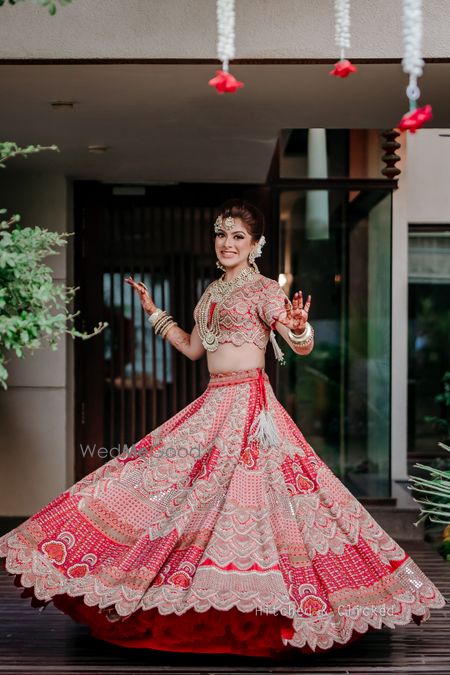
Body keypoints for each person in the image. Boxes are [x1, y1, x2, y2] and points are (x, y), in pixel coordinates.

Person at [0, 199, 445, 659]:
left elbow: (299, 344)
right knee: (161, 485)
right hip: (213, 404)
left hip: (252, 411)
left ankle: (269, 606)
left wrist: (300, 328)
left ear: (256, 245)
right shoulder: (210, 294)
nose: (227, 243)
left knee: (258, 509)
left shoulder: (266, 290)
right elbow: (194, 349)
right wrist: (155, 312)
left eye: (238, 236)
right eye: (222, 234)